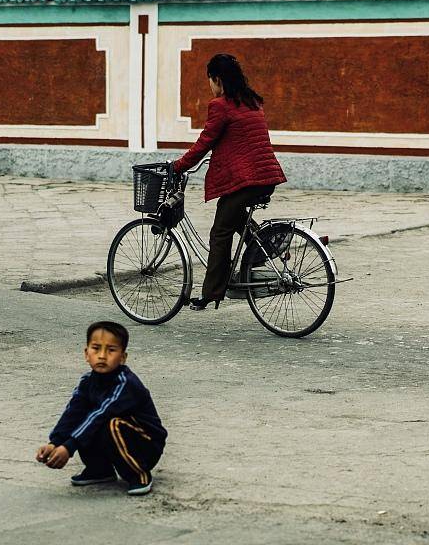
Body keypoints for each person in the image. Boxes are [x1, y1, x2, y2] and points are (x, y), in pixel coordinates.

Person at [173, 53, 286, 310]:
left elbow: (205, 142)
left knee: (220, 231)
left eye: (211, 81)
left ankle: (211, 293)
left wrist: (178, 166)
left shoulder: (221, 105)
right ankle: (263, 247)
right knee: (233, 214)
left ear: (218, 79)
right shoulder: (251, 101)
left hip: (248, 179)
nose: (211, 87)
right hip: (266, 177)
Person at [35, 320, 167, 496]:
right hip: (112, 436)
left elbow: (101, 413)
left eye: (111, 350)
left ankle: (139, 474)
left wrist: (69, 447)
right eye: (96, 348)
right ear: (86, 353)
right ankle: (99, 470)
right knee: (85, 418)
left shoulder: (126, 383)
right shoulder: (87, 382)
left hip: (145, 445)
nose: (102, 355)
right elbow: (72, 414)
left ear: (122, 357)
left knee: (109, 422)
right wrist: (55, 443)